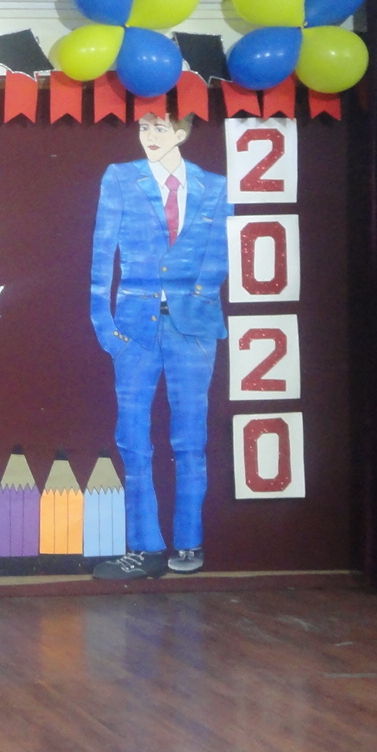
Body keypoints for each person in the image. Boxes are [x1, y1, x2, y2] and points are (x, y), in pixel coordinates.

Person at [88, 111, 231, 580]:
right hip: (135, 327)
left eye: (161, 128)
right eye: (144, 127)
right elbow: (102, 252)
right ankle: (145, 547)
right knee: (133, 439)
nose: (149, 136)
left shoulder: (215, 186)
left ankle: (189, 541)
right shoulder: (120, 178)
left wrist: (195, 299)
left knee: (191, 439)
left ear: (182, 133)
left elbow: (219, 255)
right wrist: (104, 324)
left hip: (194, 329)